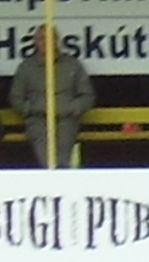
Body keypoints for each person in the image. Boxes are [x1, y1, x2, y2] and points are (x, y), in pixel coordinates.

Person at [9, 24, 95, 168]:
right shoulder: (26, 67)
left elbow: (87, 96)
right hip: (38, 119)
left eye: (50, 38)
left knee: (63, 150)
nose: (45, 42)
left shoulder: (73, 65)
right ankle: (52, 179)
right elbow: (16, 98)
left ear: (57, 40)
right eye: (41, 38)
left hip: (66, 118)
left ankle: (60, 181)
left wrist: (72, 108)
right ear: (35, 42)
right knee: (46, 156)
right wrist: (31, 109)